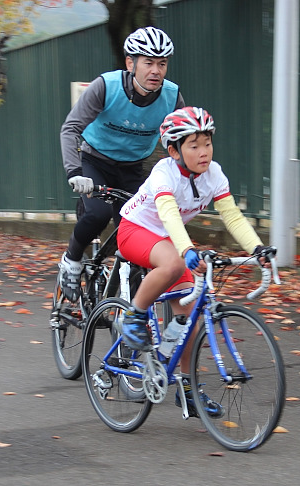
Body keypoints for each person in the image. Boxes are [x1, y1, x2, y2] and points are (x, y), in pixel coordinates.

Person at [116, 106, 273, 418]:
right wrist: (187, 250)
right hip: (136, 230)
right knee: (174, 264)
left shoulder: (214, 174)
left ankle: (187, 390)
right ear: (174, 150)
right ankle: (134, 316)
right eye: (194, 145)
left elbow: (232, 216)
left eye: (208, 143)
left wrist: (258, 248)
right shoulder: (164, 173)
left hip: (171, 240)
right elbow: (169, 215)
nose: (204, 152)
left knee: (191, 320)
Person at [57, 26, 185, 301]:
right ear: (131, 63)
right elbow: (70, 128)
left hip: (133, 168)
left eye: (162, 64)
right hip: (95, 162)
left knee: (135, 233)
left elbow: (182, 143)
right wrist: (75, 172)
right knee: (98, 214)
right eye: (148, 62)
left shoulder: (171, 97)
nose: (156, 71)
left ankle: (128, 303)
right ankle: (71, 260)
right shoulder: (106, 86)